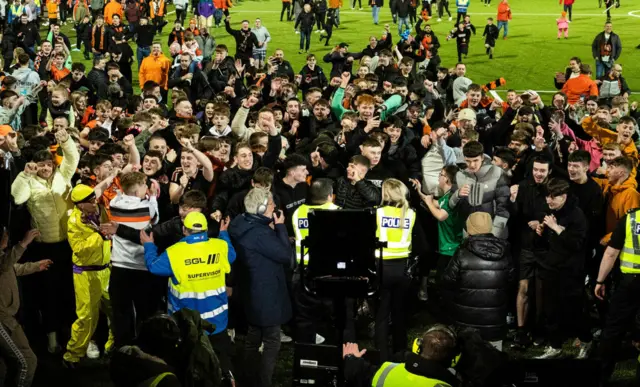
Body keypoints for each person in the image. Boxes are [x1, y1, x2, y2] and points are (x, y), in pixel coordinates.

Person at [142, 211, 237, 385]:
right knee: (223, 364)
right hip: (217, 322)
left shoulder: (174, 252)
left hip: (187, 325)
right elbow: (231, 255)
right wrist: (223, 233)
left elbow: (154, 267)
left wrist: (148, 246)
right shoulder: (220, 247)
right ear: (206, 231)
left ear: (185, 230)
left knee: (187, 367)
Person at [228, 188, 292, 387]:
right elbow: (285, 256)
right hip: (266, 293)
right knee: (272, 340)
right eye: (272, 204)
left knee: (254, 335)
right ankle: (264, 382)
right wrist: (280, 228)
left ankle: (247, 376)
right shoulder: (260, 234)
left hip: (251, 289)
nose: (275, 207)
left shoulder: (240, 223)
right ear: (263, 208)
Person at [440, 212, 513, 350]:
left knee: (467, 362)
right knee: (494, 360)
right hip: (495, 323)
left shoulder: (461, 254)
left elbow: (447, 281)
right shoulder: (504, 253)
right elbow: (511, 281)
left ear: (469, 229)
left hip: (466, 324)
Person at [63, 184, 114, 368]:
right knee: (86, 317)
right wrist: (100, 234)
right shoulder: (74, 222)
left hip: (106, 270)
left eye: (94, 198)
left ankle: (111, 347)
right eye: (90, 200)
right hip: (86, 273)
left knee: (115, 310)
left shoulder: (100, 211)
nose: (95, 201)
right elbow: (79, 249)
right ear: (80, 204)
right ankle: (72, 355)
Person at [0, 229, 50, 387]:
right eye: (4, 234)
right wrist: (24, 243)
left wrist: (36, 266)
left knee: (3, 368)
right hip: (2, 321)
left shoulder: (2, 257)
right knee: (27, 361)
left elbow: (13, 268)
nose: (7, 236)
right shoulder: (2, 259)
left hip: (6, 318)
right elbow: (5, 264)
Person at [374, 179, 417, 361]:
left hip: (382, 266)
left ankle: (382, 353)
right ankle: (400, 353)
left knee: (382, 314)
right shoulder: (411, 213)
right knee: (399, 312)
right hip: (403, 268)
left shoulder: (378, 212)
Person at [290, 178, 337, 343]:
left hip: (303, 270)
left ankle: (305, 351)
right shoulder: (336, 211)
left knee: (304, 316)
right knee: (332, 314)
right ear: (330, 196)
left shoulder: (298, 212)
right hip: (329, 271)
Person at [596, 208, 640, 383]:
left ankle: (603, 373)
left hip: (629, 282)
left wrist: (600, 281)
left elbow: (611, 253)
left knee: (614, 328)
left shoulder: (630, 219)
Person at [343, 325, 460, 387]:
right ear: (453, 359)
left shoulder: (387, 370)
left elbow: (358, 372)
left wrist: (350, 357)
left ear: (417, 347)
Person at [448, 141, 510, 238]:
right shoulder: (459, 176)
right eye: (468, 161)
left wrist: (493, 234)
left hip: (493, 234)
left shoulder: (497, 173)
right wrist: (457, 195)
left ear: (482, 157)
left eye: (475, 160)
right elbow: (451, 206)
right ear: (464, 158)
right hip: (468, 233)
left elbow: (503, 208)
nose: (472, 165)